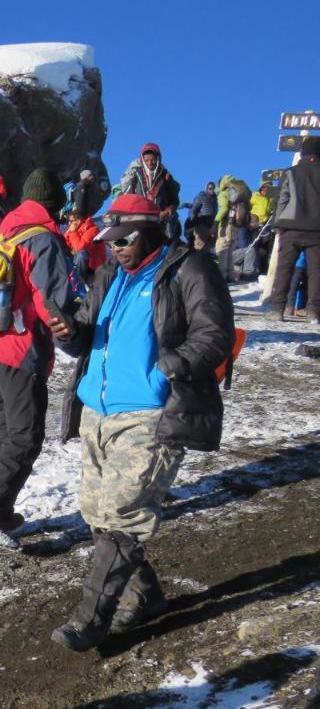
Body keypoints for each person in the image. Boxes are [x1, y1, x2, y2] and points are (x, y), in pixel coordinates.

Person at [49, 194, 234, 650]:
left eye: (125, 239)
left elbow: (216, 333)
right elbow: (92, 333)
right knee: (100, 515)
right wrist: (73, 335)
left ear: (151, 231)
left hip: (150, 414)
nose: (116, 248)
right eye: (110, 241)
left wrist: (170, 365)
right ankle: (146, 596)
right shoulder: (110, 275)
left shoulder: (189, 268)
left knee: (124, 517)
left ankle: (90, 619)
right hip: (96, 411)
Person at [0, 169, 76, 549]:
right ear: (55, 204)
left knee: (7, 433)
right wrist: (74, 338)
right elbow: (50, 300)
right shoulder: (43, 239)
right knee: (25, 436)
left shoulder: (4, 231)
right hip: (18, 349)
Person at [265, 136, 320, 322]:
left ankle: (277, 309)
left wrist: (277, 225)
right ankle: (314, 310)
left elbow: (283, 199)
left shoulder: (290, 173)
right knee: (316, 271)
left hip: (291, 226)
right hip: (316, 229)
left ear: (303, 153)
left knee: (284, 269)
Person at [118, 143, 182, 244]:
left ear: (158, 159)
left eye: (153, 159)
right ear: (142, 160)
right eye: (147, 160)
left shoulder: (166, 176)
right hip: (140, 220)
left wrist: (168, 211)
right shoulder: (135, 174)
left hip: (161, 221)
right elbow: (127, 197)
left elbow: (174, 201)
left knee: (163, 247)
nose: (150, 163)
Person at [64, 208, 106, 288]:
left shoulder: (92, 229)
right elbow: (64, 245)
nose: (69, 224)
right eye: (68, 221)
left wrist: (73, 233)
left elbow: (80, 247)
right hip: (81, 264)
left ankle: (77, 284)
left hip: (93, 267)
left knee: (81, 254)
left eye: (71, 221)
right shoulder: (74, 230)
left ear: (78, 221)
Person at [186, 181, 218, 251]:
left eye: (213, 188)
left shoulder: (215, 198)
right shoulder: (201, 197)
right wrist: (195, 222)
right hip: (202, 225)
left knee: (210, 247)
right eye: (210, 188)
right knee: (199, 246)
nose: (212, 190)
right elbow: (193, 211)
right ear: (206, 189)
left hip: (212, 226)